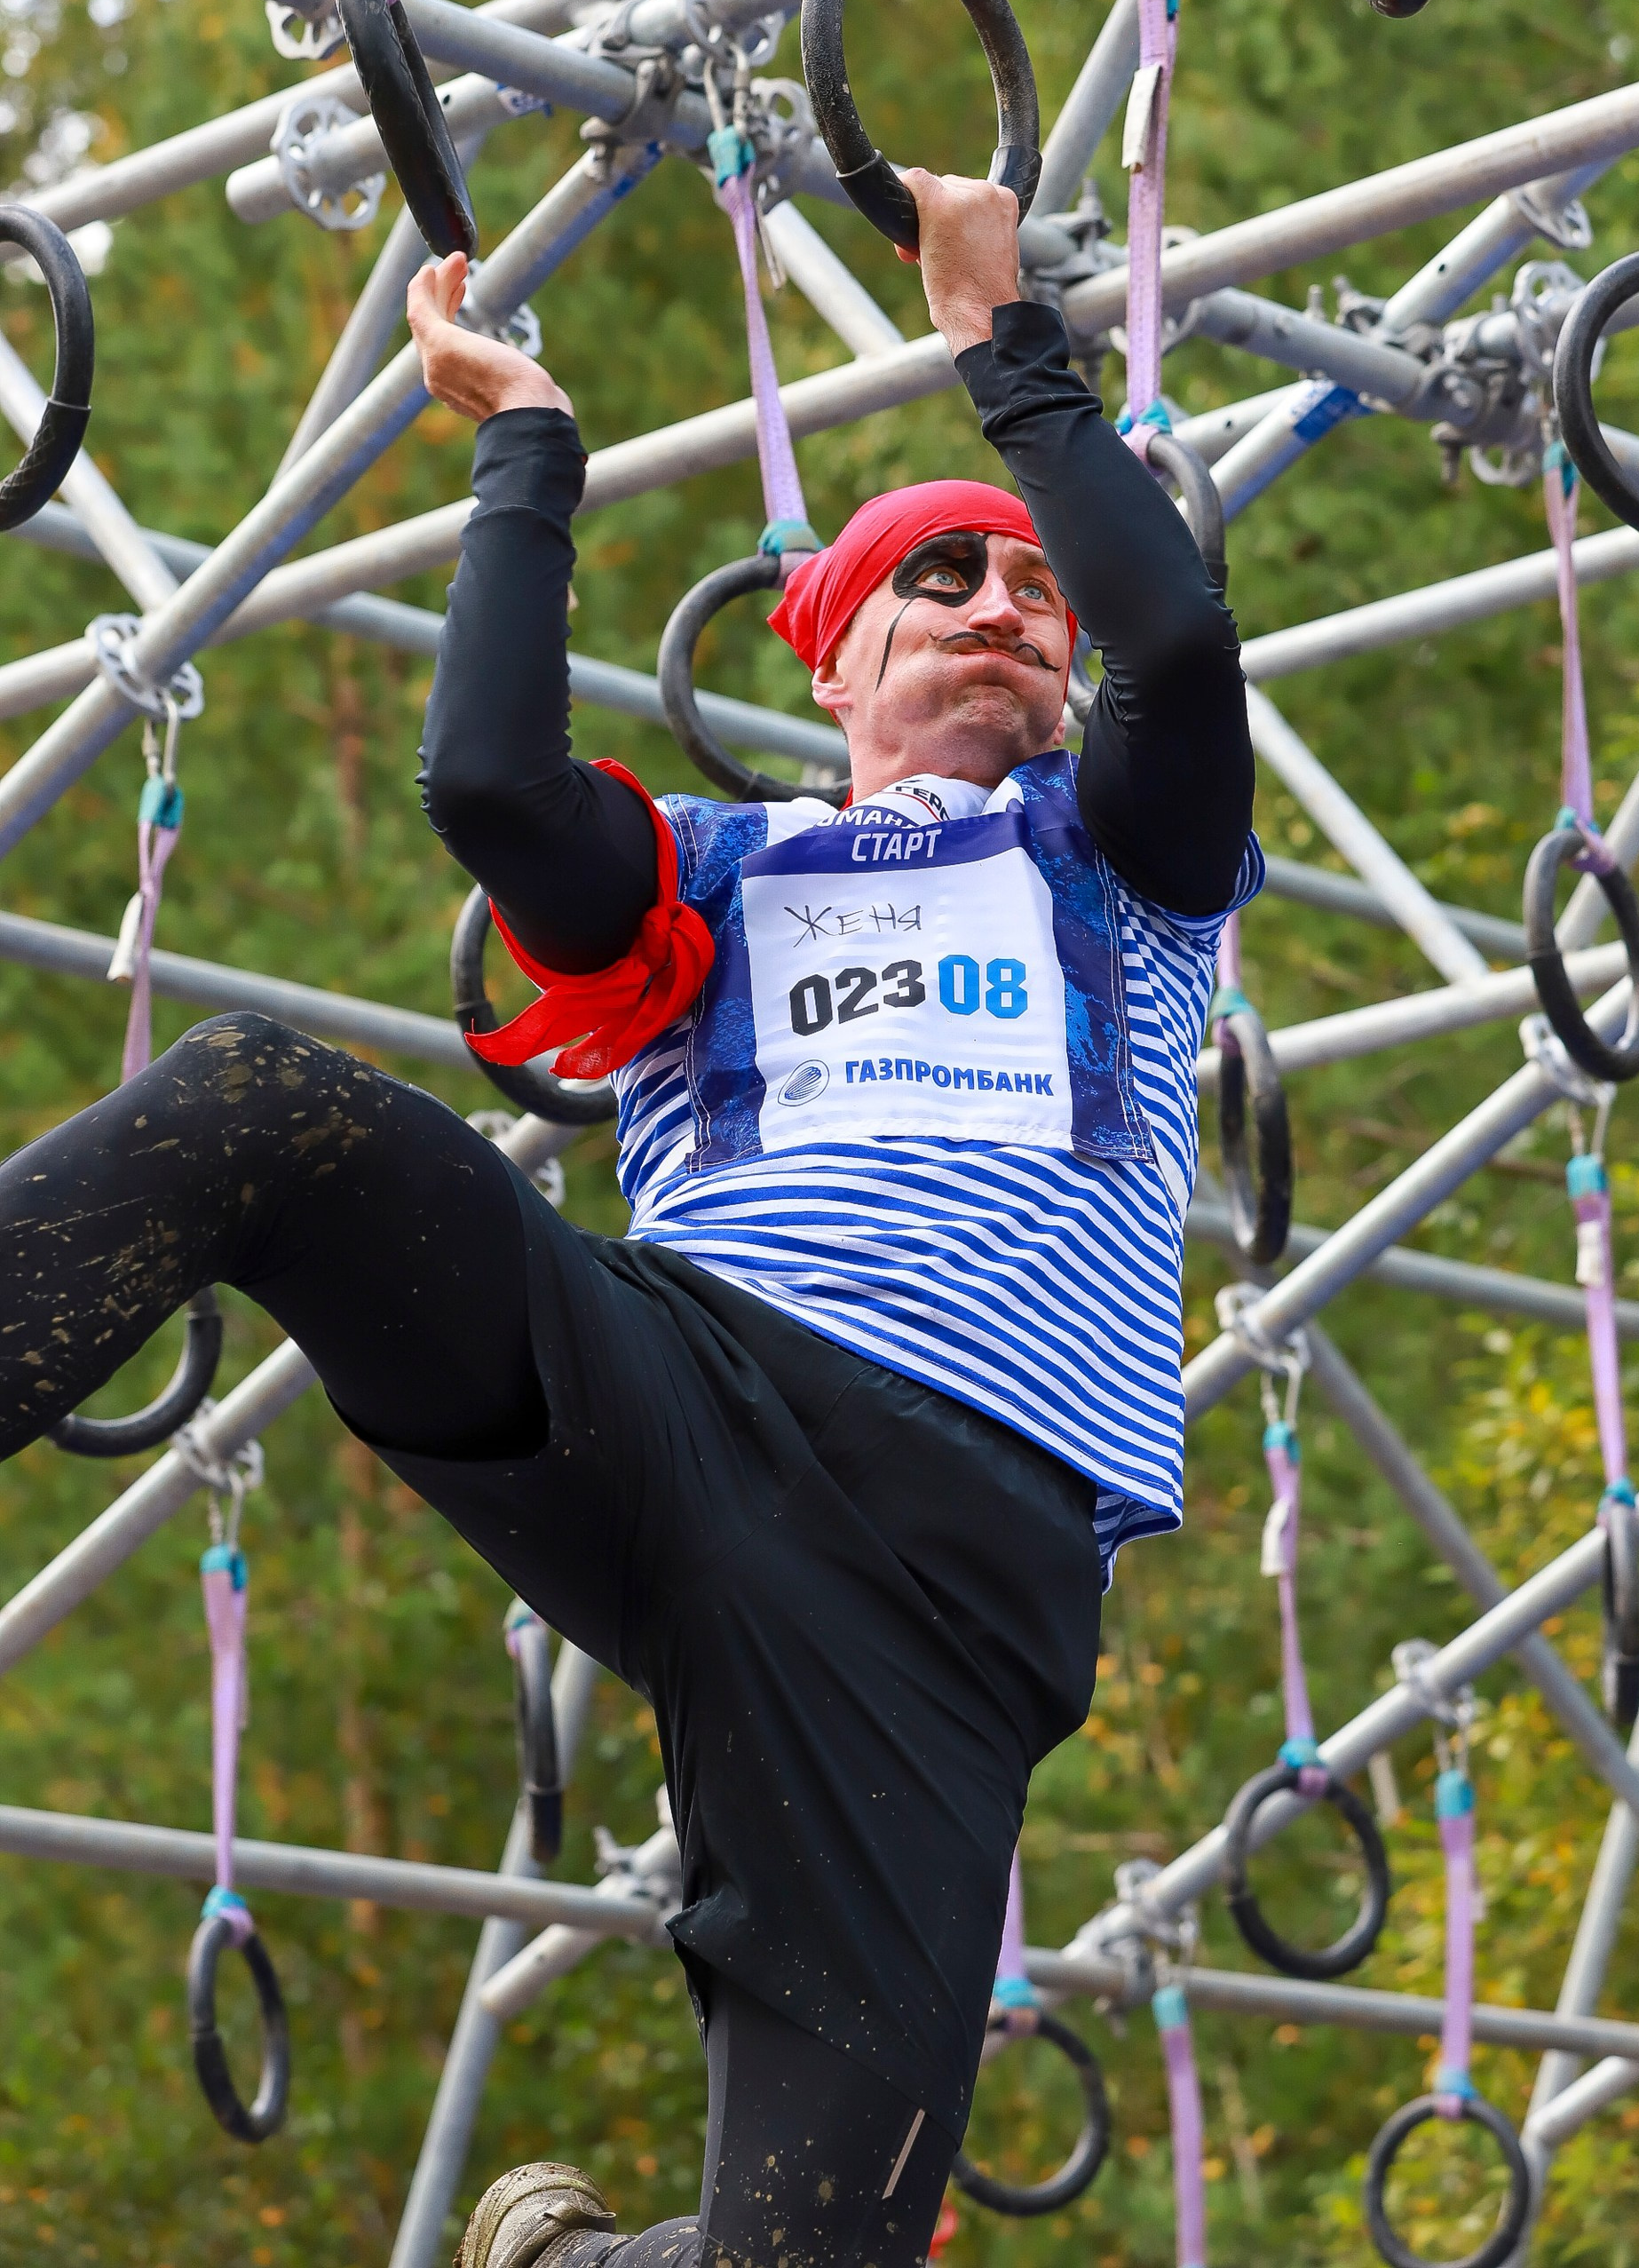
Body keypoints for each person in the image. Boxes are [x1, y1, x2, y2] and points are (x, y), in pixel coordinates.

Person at [0, 172, 1257, 2268]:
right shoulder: (714, 878)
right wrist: (525, 454)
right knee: (256, 1107)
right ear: (833, 658)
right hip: (685, 1389)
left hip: (955, 1595)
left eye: (1034, 589)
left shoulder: (1119, 866)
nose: (1000, 601)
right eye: (936, 573)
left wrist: (1006, 354)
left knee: (818, 2256)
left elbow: (1186, 640)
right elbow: (493, 789)